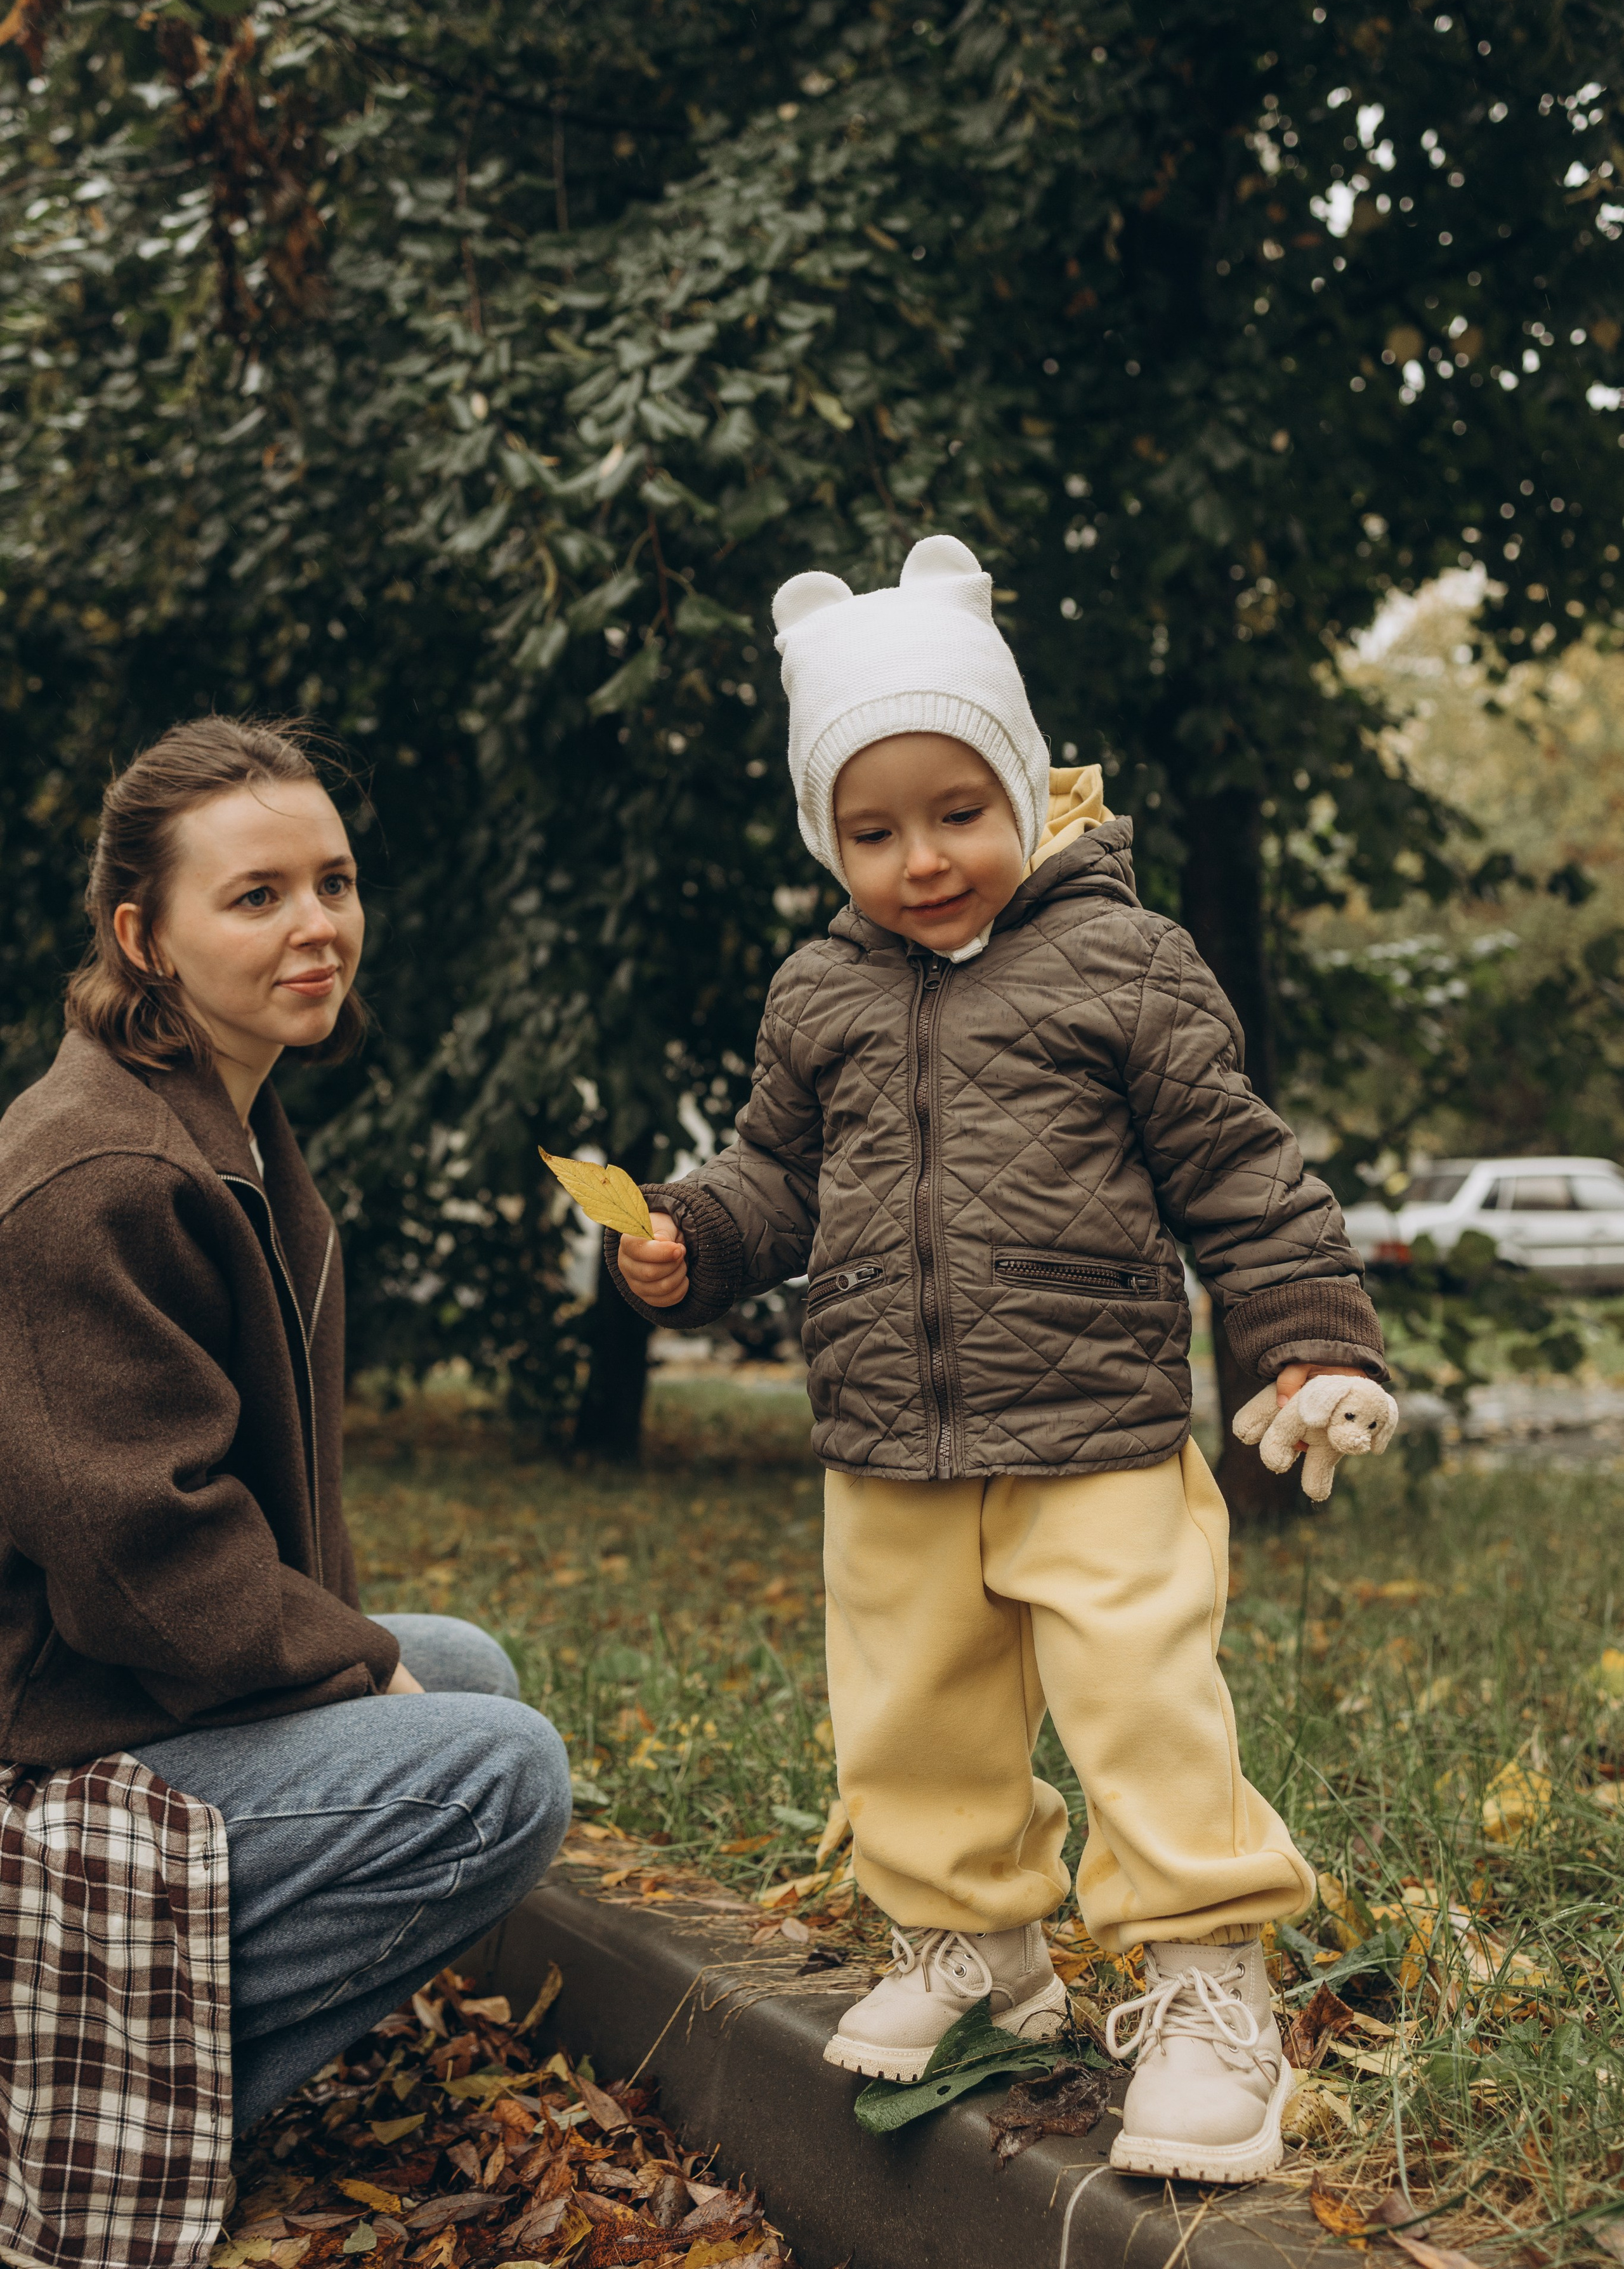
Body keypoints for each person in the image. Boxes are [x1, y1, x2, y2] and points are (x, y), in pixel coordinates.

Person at [608, 536, 1389, 2187]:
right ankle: (977, 1950)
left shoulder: (1124, 962)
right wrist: (693, 1231)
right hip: (888, 1439)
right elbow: (774, 1175)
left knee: (1141, 1700)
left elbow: (1241, 1176)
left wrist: (1309, 1341)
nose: (921, 860)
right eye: (871, 832)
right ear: (825, 836)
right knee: (911, 1710)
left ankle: (1208, 1984)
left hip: (1097, 1428)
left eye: (958, 811)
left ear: (1024, 783)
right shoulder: (818, 992)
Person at [0, 716, 571, 2155]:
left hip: (100, 1691)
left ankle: (148, 2072)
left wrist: (366, 1661)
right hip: (39, 1744)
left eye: (334, 882)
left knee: (465, 1673)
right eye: (257, 896)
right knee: (499, 1769)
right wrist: (353, 1664)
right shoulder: (100, 1170)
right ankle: (93, 2115)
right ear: (144, 938)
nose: (317, 926)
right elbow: (140, 1563)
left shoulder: (224, 1123)